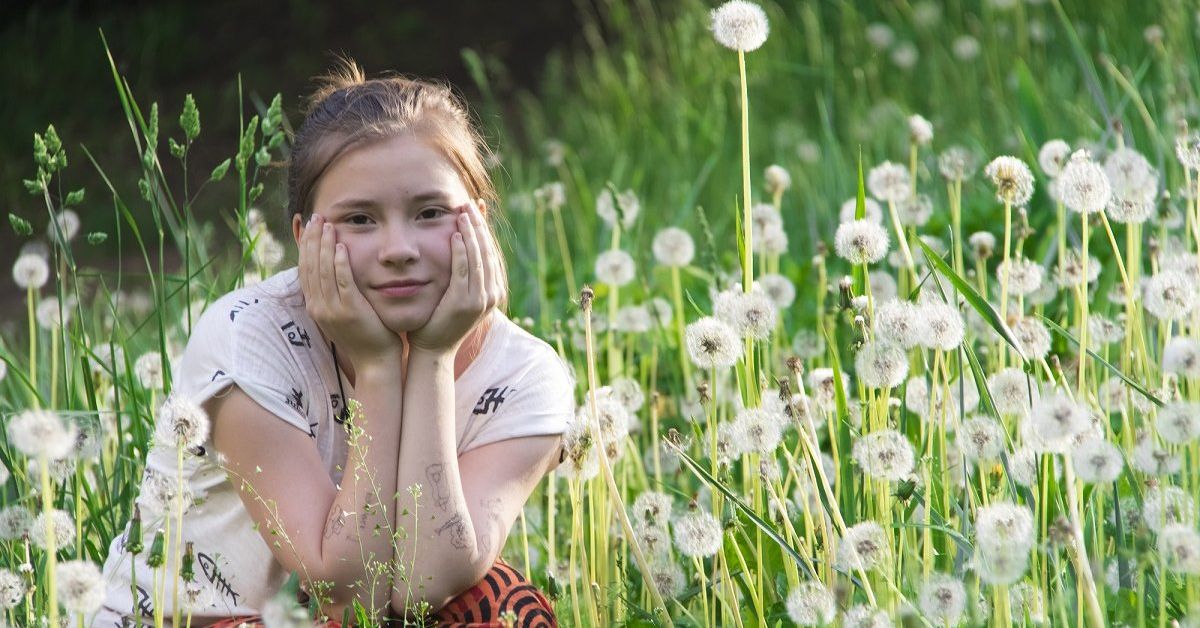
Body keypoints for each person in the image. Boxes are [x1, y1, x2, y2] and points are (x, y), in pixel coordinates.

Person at [91, 60, 573, 627]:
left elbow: (427, 586)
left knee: (497, 605)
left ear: (480, 226)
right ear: (303, 236)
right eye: (361, 219)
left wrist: (433, 360)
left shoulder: (524, 376)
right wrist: (376, 367)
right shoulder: (249, 338)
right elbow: (342, 585)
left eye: (431, 213)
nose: (399, 247)